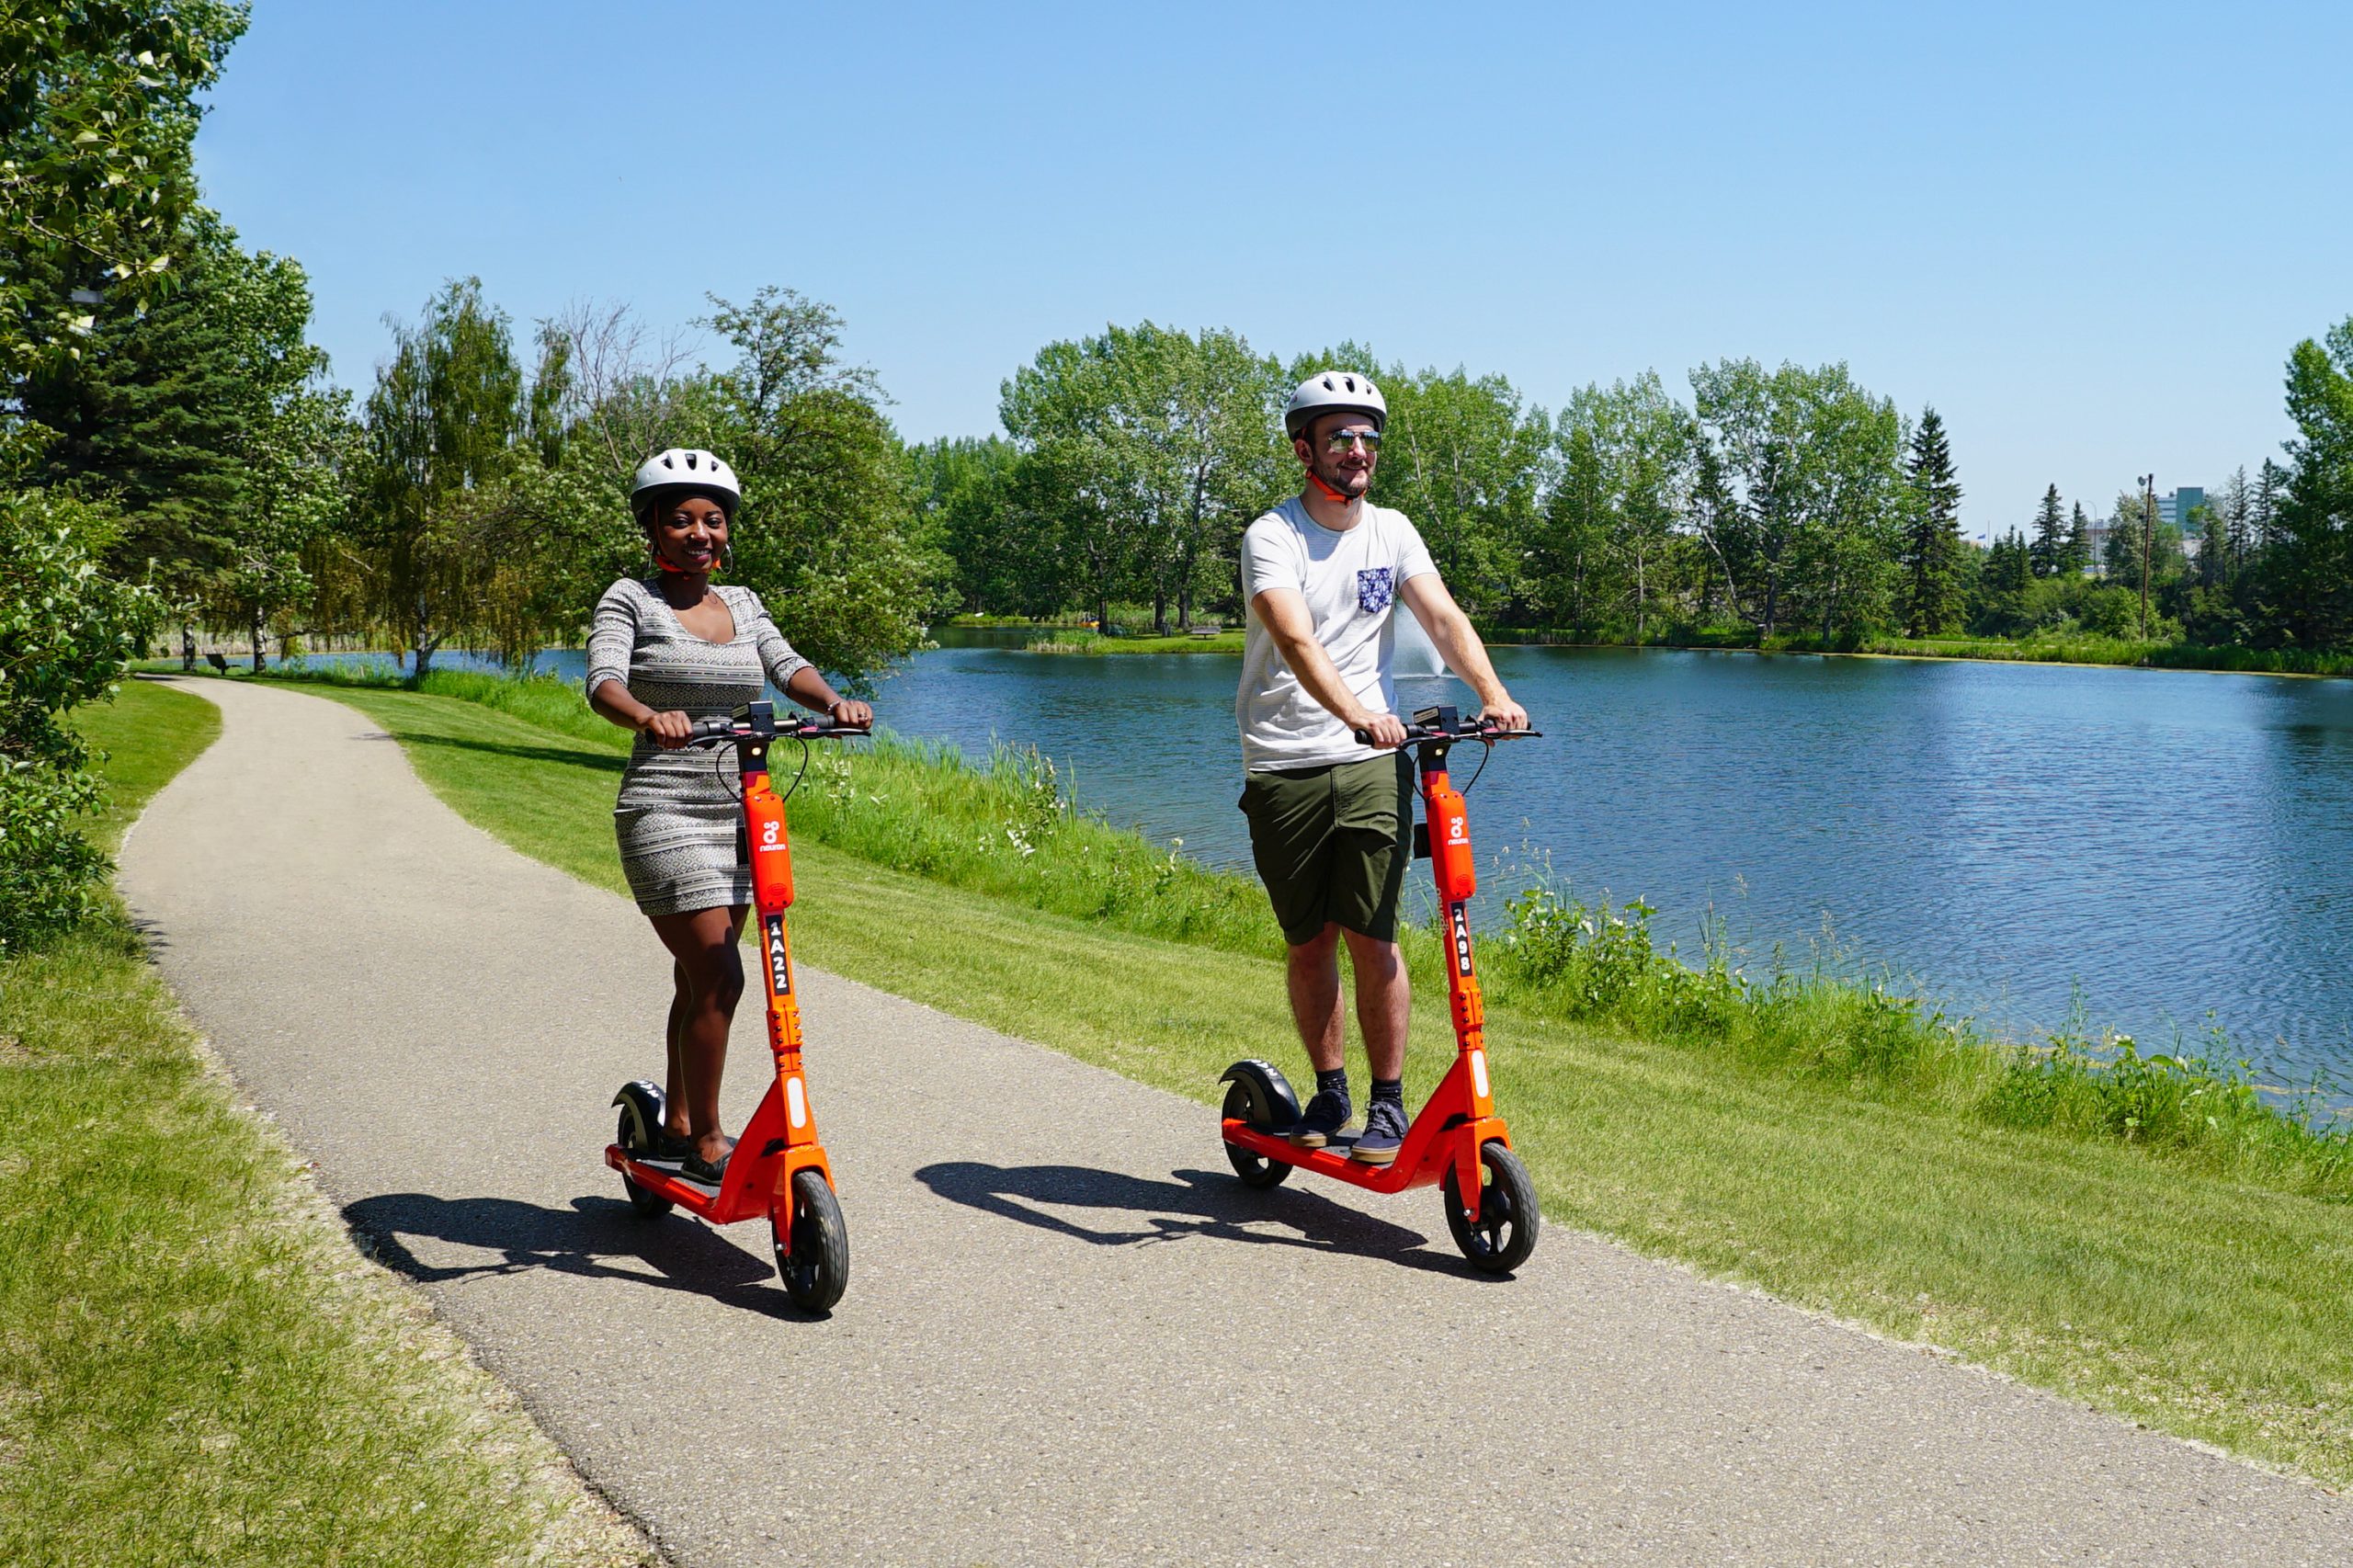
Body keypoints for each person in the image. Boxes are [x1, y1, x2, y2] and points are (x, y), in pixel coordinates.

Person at [1235, 371, 1529, 1165]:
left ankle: (1387, 1107)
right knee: (1309, 939)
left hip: (1375, 763)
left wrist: (1494, 693)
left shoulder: (1392, 532)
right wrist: (1355, 713)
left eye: (1368, 437)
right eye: (1340, 437)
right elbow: (1296, 640)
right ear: (1305, 449)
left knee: (1373, 933)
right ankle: (1329, 1091)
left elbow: (1441, 614)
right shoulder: (1274, 536)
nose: (1358, 451)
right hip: (1287, 761)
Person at [585, 448, 872, 1187]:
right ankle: (711, 1137)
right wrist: (651, 716)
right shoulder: (630, 599)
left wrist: (831, 701)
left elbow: (786, 664)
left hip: (743, 811)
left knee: (697, 979)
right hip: (664, 805)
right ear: (653, 527)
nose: (699, 533)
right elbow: (603, 681)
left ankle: (677, 1124)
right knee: (719, 974)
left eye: (712, 520)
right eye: (680, 520)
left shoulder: (743, 604)